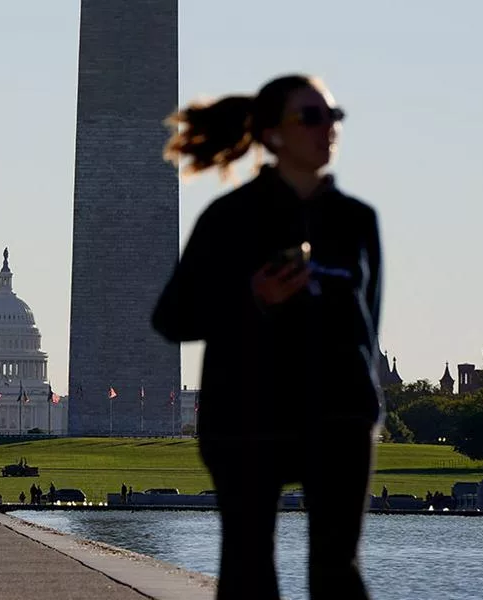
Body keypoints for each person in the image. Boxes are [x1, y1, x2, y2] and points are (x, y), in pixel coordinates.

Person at [153, 74, 382, 600]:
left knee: (338, 570)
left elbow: (369, 325)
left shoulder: (357, 222)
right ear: (274, 134)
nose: (329, 129)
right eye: (312, 116)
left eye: (334, 116)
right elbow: (172, 318)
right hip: (248, 413)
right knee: (249, 568)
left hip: (340, 417)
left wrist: (368, 406)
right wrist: (251, 297)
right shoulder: (229, 219)